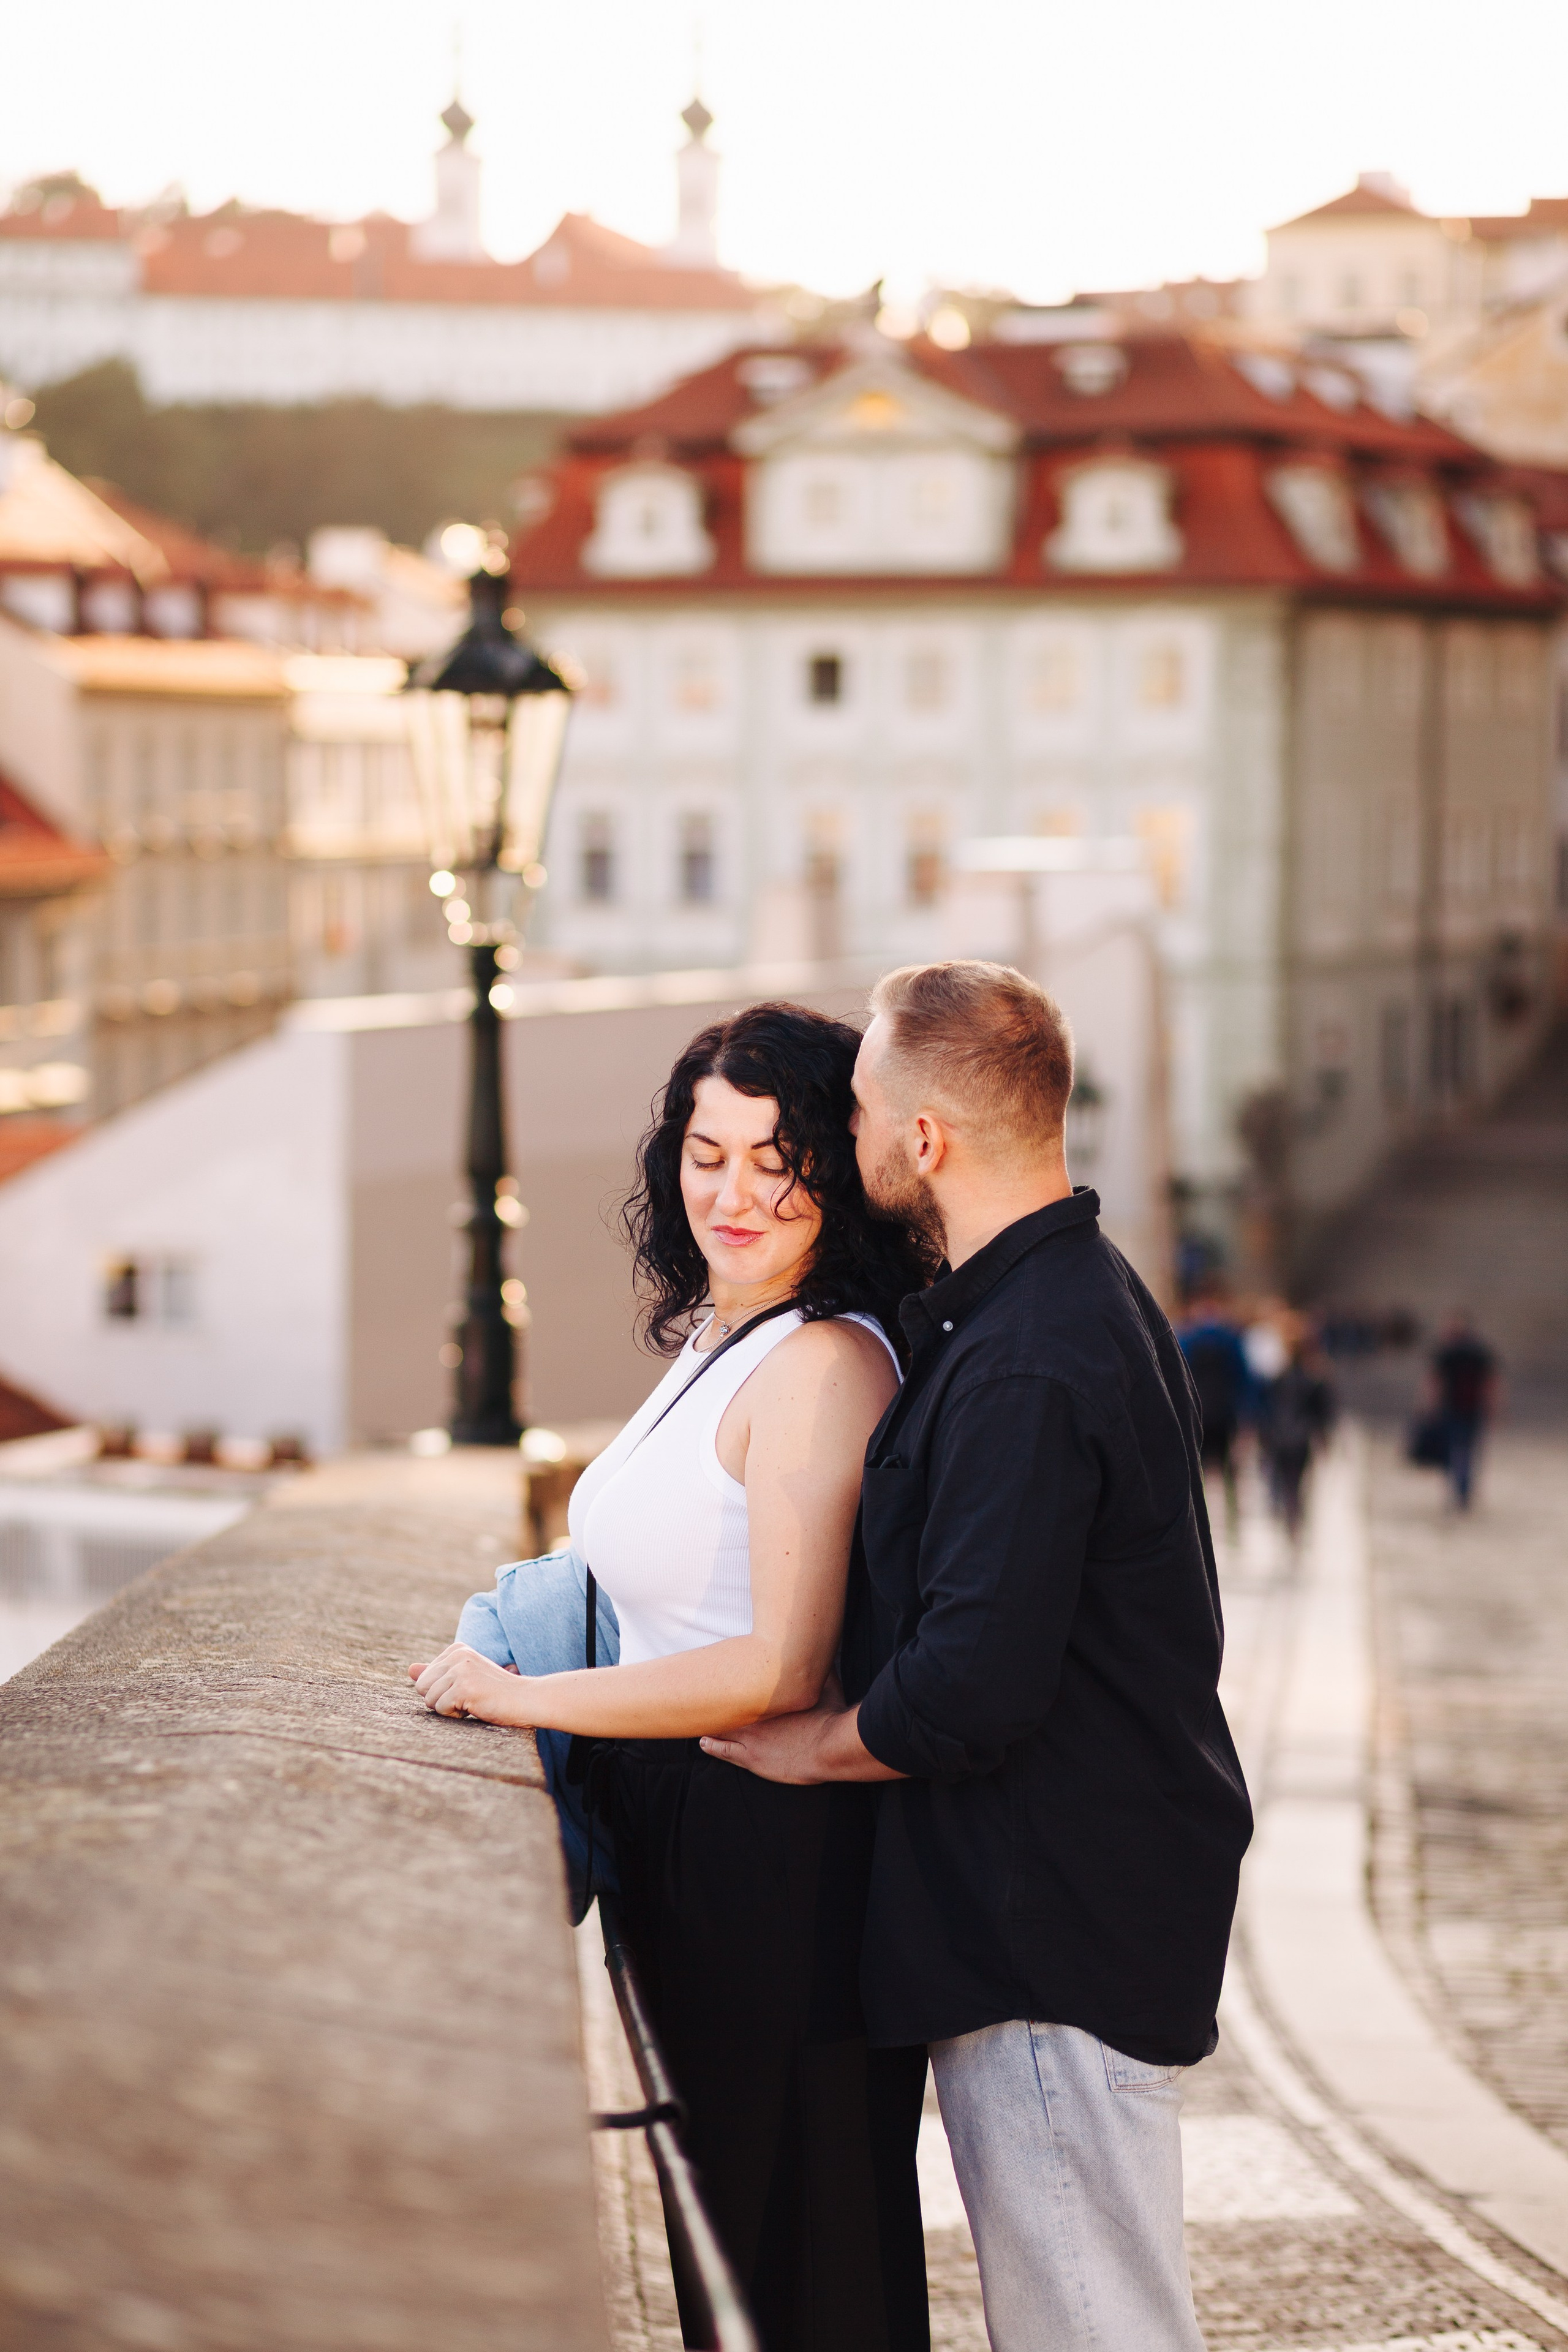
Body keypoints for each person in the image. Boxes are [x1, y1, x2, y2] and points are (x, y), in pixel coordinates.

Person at [703, 961, 1254, 2352]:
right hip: (1070, 1901)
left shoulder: (1025, 1357)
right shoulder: (1068, 1294)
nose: (849, 1133)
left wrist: (805, 1745)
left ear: (926, 1138)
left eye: (861, 1108)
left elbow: (967, 1685)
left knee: (1093, 2326)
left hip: (1047, 1930)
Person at [410, 1004, 936, 2352]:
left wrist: (523, 1698)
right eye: (708, 1155)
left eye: (779, 1161)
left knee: (796, 2258)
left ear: (841, 1171)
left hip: (771, 1856)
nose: (735, 1194)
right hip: (690, 1832)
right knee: (730, 2252)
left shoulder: (822, 1364)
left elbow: (779, 1664)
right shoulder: (722, 1332)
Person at [1178, 1287, 1251, 1534]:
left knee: (1197, 1471)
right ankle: (1232, 1522)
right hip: (1225, 1414)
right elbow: (1244, 1379)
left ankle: (1199, 1523)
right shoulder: (1231, 1339)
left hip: (1198, 1414)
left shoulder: (1188, 1338)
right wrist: (1247, 1415)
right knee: (1230, 1470)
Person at [1254, 1324, 1336, 1540]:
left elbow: (1266, 1410)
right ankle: (1295, 1518)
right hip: (1301, 1438)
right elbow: (1321, 1415)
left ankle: (1289, 1516)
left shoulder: (1276, 1380)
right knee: (1297, 1481)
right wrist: (1324, 1441)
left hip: (1280, 1437)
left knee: (1283, 1480)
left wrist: (1264, 1435)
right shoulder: (1313, 1381)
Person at [1428, 1312, 1499, 1510]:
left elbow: (1434, 1381)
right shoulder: (1477, 1351)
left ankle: (1460, 1489)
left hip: (1457, 1407)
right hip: (1468, 1408)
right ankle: (1463, 1490)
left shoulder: (1450, 1351)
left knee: (1456, 1449)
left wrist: (1431, 1407)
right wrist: (1494, 1408)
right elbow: (1492, 1382)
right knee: (1466, 1450)